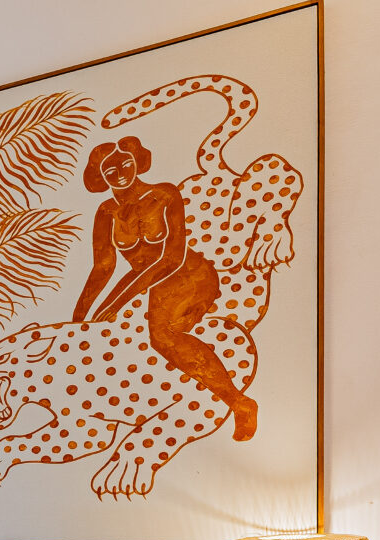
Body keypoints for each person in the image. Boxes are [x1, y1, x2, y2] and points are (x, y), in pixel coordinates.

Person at [71, 136, 257, 440]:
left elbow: (171, 257)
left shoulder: (165, 193)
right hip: (147, 279)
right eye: (110, 171)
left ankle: (240, 403)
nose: (120, 174)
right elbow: (103, 267)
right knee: (103, 330)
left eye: (125, 164)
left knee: (162, 336)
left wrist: (116, 304)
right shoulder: (106, 211)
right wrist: (78, 317)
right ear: (101, 178)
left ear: (137, 162)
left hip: (187, 273)